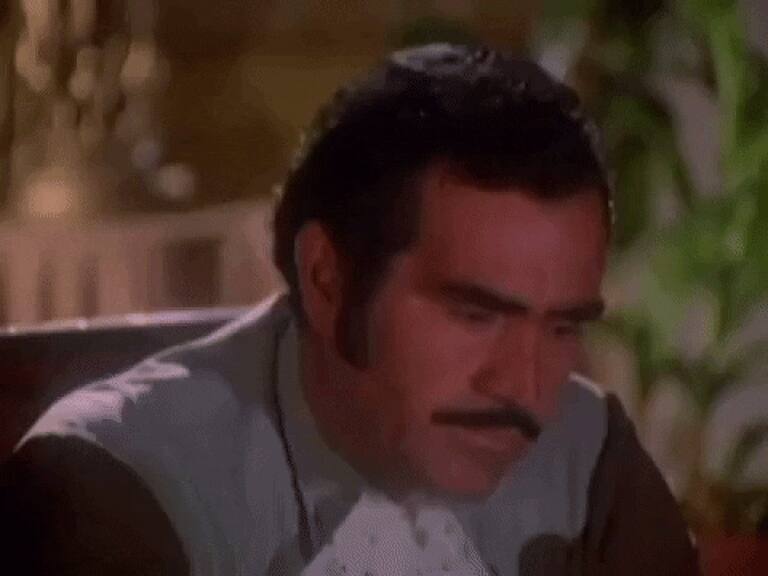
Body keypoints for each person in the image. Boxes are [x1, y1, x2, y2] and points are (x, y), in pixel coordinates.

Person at [0, 44, 700, 575]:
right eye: (475, 315)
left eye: (562, 325)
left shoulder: (591, 462)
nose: (526, 386)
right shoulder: (118, 490)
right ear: (327, 279)